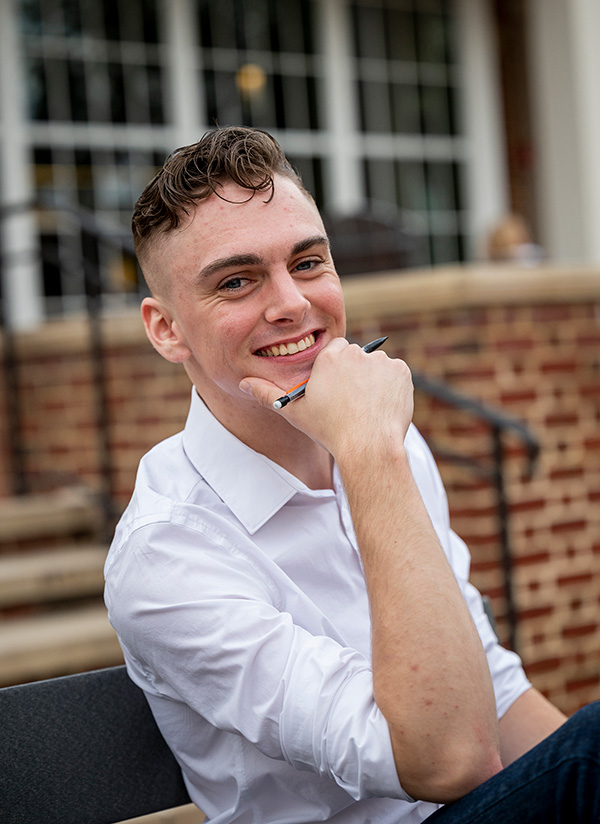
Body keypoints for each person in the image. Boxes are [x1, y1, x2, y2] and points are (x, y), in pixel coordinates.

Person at [104, 126, 600, 823]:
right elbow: (449, 758)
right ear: (166, 329)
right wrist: (371, 455)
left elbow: (495, 688)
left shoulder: (384, 444)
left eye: (307, 263)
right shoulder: (168, 553)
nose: (292, 304)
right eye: (238, 281)